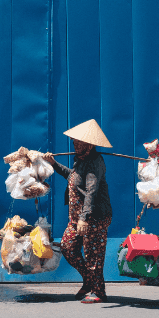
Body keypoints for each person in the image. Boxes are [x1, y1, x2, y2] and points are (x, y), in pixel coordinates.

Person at [44, 119, 113, 304]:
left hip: (93, 217)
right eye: (74, 141)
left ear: (89, 145)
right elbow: (72, 178)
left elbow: (91, 191)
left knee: (93, 254)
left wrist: (84, 218)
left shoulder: (94, 162)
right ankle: (89, 280)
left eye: (78, 142)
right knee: (68, 247)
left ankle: (99, 292)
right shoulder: (79, 160)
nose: (74, 144)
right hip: (77, 219)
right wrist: (53, 163)